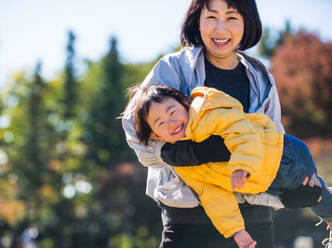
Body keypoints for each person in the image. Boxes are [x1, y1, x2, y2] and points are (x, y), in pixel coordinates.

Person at [122, 0, 324, 247]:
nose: (220, 29)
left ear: (246, 23)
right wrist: (182, 153)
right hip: (187, 222)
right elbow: (135, 129)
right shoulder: (173, 68)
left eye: (231, 18)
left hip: (253, 224)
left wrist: (287, 198)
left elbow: (272, 151)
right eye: (211, 17)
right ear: (197, 20)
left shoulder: (262, 78)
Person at [127, 84, 332, 248]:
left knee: (315, 194)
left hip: (283, 155)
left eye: (172, 111)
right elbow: (212, 194)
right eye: (160, 123)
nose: (171, 122)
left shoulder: (208, 112)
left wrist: (241, 166)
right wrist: (237, 231)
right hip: (267, 181)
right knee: (308, 195)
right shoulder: (183, 164)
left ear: (184, 103)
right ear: (155, 136)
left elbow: (243, 133)